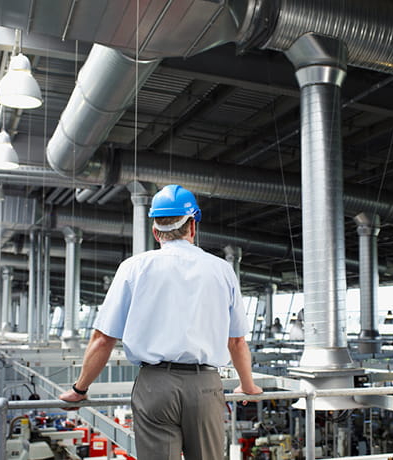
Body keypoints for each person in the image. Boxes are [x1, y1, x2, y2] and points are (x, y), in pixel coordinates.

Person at [59, 184, 262, 460]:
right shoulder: (222, 270)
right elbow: (236, 341)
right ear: (193, 226)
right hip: (205, 385)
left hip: (156, 386)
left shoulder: (134, 268)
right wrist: (247, 386)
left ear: (156, 232)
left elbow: (103, 339)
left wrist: (79, 389)